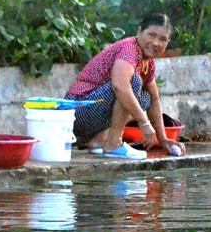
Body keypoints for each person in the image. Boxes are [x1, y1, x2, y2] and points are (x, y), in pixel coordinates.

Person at [64, 13, 186, 159]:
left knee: (145, 97)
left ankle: (99, 140)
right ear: (139, 31)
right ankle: (113, 144)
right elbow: (119, 86)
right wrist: (144, 123)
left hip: (92, 114)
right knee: (133, 83)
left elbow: (154, 99)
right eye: (151, 35)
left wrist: (163, 139)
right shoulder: (129, 49)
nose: (156, 43)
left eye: (163, 39)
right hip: (76, 112)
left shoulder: (148, 63)